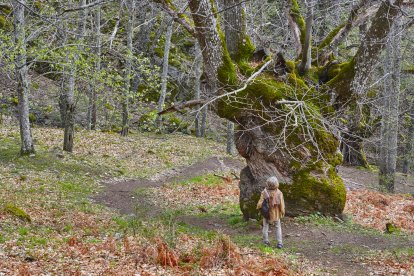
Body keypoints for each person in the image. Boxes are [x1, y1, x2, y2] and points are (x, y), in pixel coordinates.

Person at [256, 176, 285, 248]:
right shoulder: (279, 193)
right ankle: (279, 243)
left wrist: (259, 208)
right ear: (276, 184)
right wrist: (282, 211)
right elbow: (281, 204)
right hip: (276, 214)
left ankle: (266, 241)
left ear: (267, 184)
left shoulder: (264, 192)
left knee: (265, 227)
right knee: (278, 227)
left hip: (267, 213)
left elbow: (260, 203)